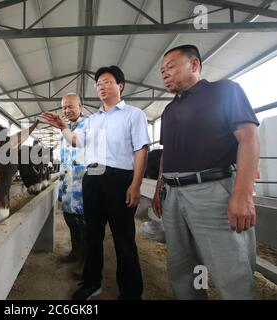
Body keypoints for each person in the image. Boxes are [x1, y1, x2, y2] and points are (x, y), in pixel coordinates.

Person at [152, 44, 260, 299]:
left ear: (194, 65)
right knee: (182, 269)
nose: (164, 74)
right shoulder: (169, 110)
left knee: (230, 271)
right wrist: (160, 187)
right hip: (173, 195)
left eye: (171, 67)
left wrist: (243, 194)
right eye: (162, 70)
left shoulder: (224, 91)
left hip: (213, 190)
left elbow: (248, 137)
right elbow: (168, 154)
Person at [43, 66, 150, 300]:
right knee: (93, 235)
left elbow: (141, 149)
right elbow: (77, 142)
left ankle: (131, 292)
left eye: (107, 82)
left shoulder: (134, 114)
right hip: (91, 179)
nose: (101, 87)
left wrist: (136, 184)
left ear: (120, 85)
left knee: (123, 238)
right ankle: (92, 283)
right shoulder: (92, 121)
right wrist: (62, 127)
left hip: (120, 178)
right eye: (98, 84)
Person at [58, 93, 87, 265]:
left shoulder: (89, 124)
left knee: (86, 227)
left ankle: (86, 263)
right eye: (64, 107)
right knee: (71, 223)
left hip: (84, 187)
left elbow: (80, 143)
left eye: (70, 106)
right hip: (68, 187)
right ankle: (76, 253)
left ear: (80, 106)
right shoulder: (65, 128)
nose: (67, 110)